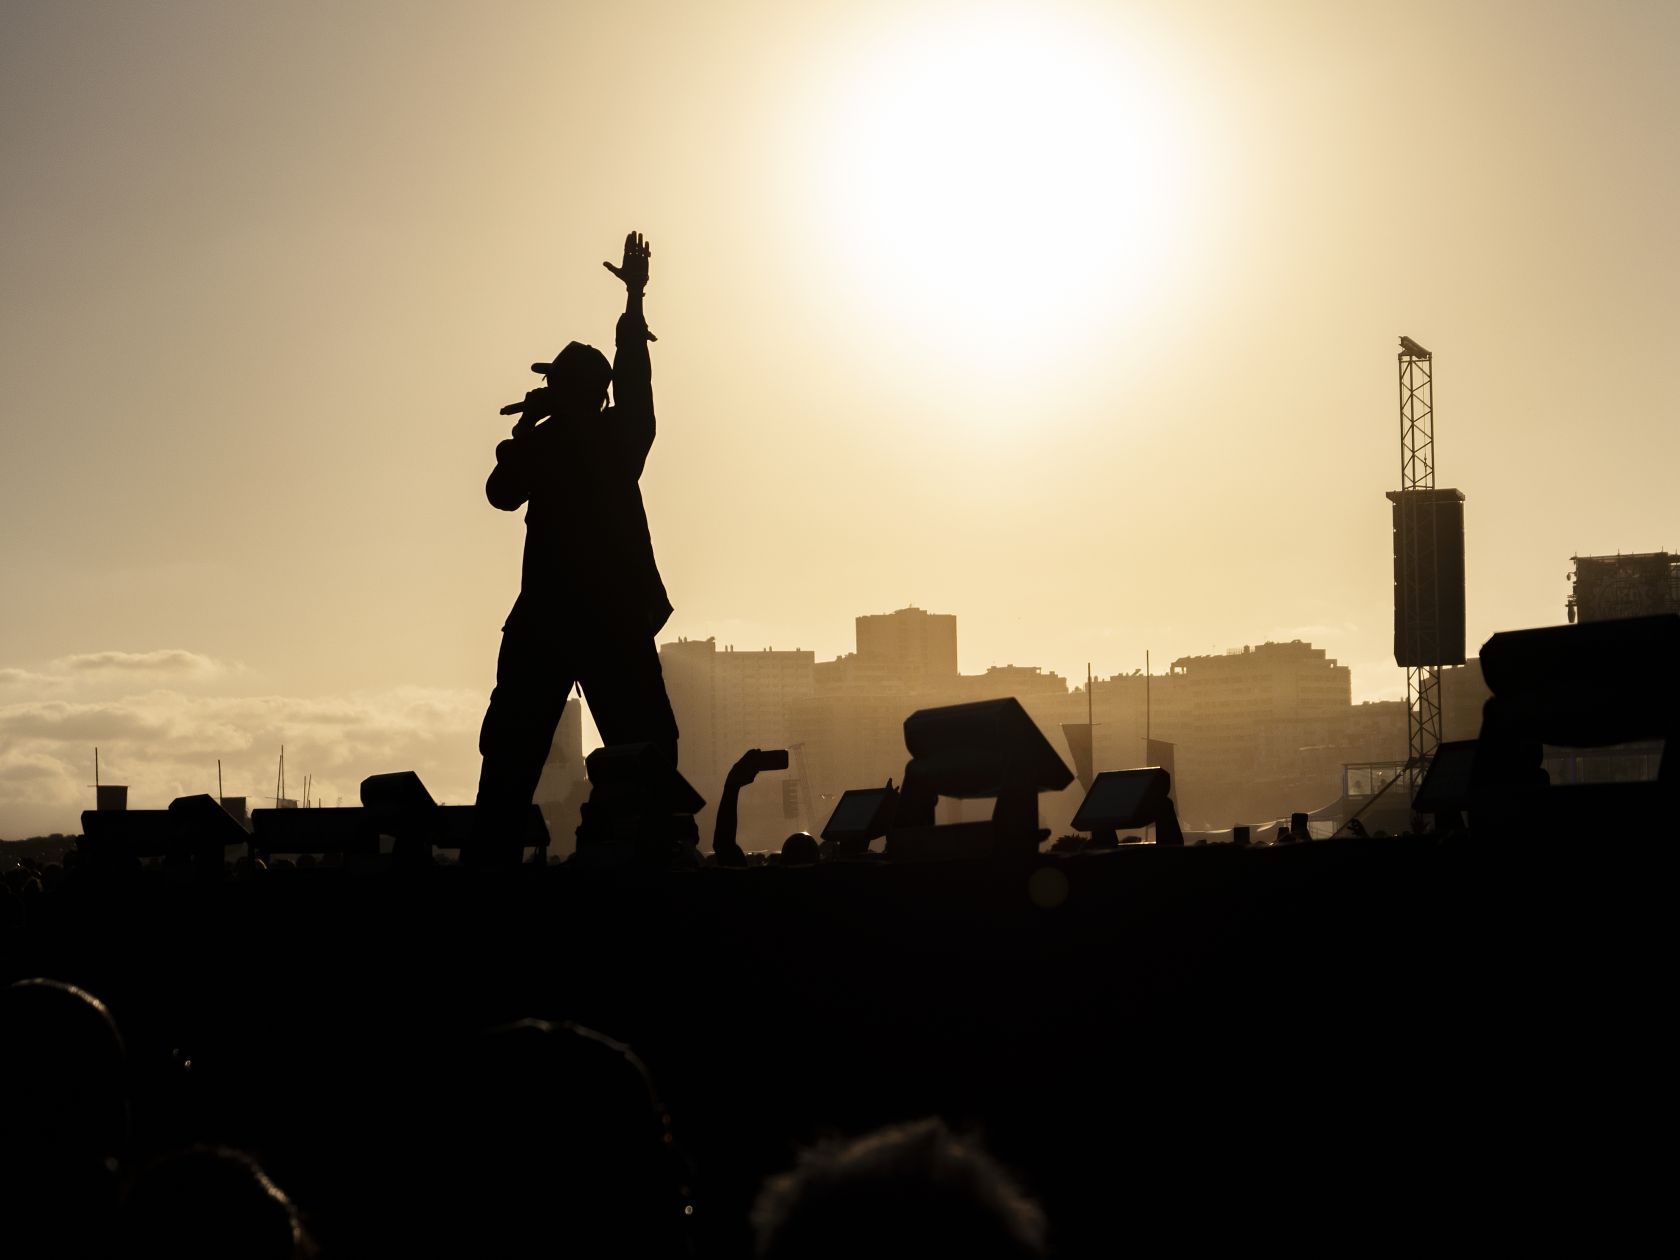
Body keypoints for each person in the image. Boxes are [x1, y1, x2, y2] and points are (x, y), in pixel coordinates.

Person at [473, 232, 679, 858]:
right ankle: (660, 852)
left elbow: (501, 492)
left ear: (567, 391)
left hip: (559, 622)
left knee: (514, 757)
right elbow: (634, 377)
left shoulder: (565, 441)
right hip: (602, 622)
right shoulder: (615, 437)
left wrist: (527, 428)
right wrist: (634, 300)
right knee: (643, 749)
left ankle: (493, 860)